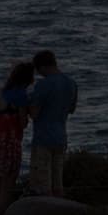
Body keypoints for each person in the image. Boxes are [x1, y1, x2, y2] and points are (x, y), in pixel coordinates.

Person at [25, 49, 78, 198]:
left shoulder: (43, 85)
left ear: (42, 67)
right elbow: (71, 109)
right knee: (58, 185)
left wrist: (27, 103)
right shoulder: (71, 83)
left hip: (43, 139)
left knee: (43, 186)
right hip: (61, 137)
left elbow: (34, 115)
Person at [0, 59, 35, 215]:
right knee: (7, 188)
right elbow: (23, 123)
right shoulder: (21, 95)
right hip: (10, 142)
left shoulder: (4, 92)